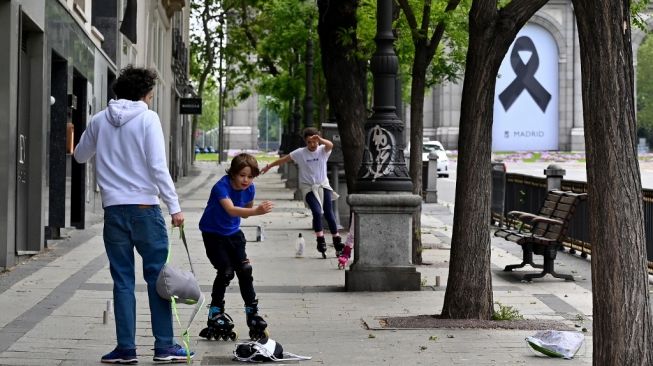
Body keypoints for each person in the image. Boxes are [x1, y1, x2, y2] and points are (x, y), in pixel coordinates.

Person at [74, 65, 192, 364]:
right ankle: (164, 346)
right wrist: (174, 207)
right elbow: (157, 166)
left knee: (122, 280)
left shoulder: (99, 120)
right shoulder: (148, 119)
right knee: (157, 278)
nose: (151, 99)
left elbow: (79, 156)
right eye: (151, 94)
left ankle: (125, 349)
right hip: (145, 210)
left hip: (113, 211)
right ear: (144, 94)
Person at [198, 153, 274, 341]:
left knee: (245, 270)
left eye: (250, 176)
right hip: (213, 235)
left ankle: (252, 313)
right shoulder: (220, 187)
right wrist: (257, 211)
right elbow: (231, 210)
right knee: (225, 271)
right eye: (242, 175)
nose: (246, 180)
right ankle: (215, 312)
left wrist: (253, 211)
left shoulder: (250, 189)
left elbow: (245, 214)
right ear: (232, 173)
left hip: (233, 234)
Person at [260, 127, 342, 258]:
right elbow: (284, 159)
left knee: (328, 212)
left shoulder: (322, 150)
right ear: (305, 142)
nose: (312, 144)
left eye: (314, 141)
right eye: (309, 142)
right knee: (316, 211)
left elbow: (330, 144)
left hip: (323, 185)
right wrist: (269, 166)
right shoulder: (300, 153)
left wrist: (319, 139)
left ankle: (337, 240)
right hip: (308, 188)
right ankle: (320, 240)